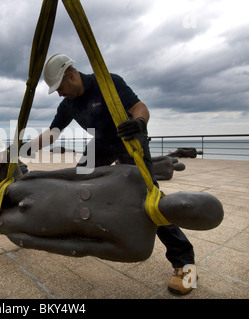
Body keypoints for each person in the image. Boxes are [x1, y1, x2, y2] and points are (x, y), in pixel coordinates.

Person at [24, 53, 196, 295]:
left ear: (71, 75)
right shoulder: (68, 105)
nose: (60, 93)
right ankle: (95, 230)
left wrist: (139, 123)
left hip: (129, 140)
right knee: (79, 182)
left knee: (151, 200)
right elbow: (53, 133)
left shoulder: (108, 83)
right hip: (102, 144)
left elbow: (139, 107)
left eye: (60, 87)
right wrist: (25, 147)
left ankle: (185, 264)